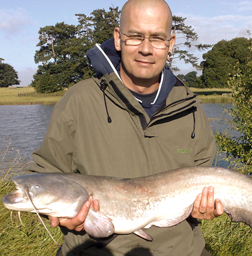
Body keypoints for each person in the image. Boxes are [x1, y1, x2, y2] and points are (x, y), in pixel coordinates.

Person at [29, 0, 224, 255]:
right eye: (135, 36)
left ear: (170, 44)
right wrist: (60, 215)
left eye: (156, 38)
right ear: (118, 38)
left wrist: (202, 208)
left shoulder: (191, 108)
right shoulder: (79, 101)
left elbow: (204, 187)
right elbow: (43, 176)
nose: (146, 48)